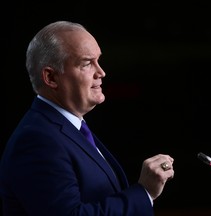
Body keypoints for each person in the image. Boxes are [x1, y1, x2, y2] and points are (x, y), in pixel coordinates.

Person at [0, 20, 175, 216]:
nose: (101, 72)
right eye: (86, 63)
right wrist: (144, 193)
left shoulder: (67, 128)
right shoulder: (36, 140)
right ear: (51, 78)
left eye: (98, 61)